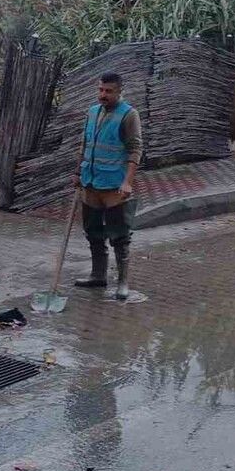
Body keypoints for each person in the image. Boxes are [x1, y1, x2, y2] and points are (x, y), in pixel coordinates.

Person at [73, 72, 143, 300]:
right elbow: (85, 144)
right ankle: (98, 275)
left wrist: (128, 181)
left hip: (114, 185)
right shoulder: (92, 113)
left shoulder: (129, 115)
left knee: (119, 236)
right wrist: (78, 172)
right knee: (93, 232)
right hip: (91, 181)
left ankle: (123, 282)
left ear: (119, 91)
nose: (103, 95)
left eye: (108, 91)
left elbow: (135, 149)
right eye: (101, 90)